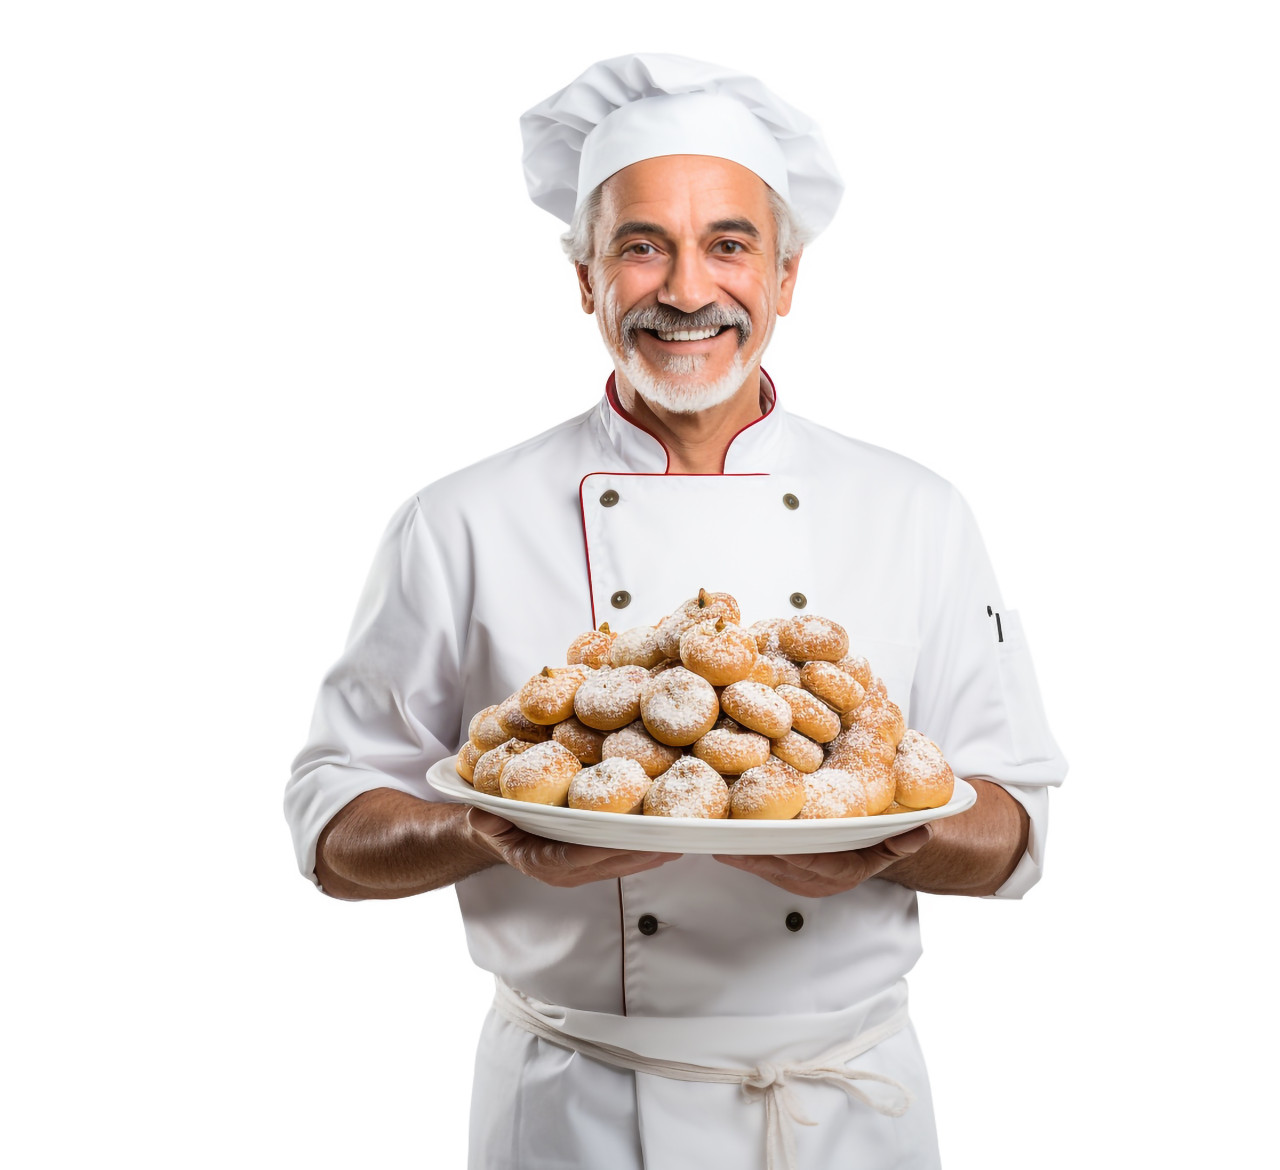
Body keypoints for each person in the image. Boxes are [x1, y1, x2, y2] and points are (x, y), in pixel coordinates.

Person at [285, 53, 1068, 1170]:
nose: (688, 290)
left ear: (786, 277)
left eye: (729, 245)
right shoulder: (458, 520)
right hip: (574, 1111)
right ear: (586, 278)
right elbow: (330, 829)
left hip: (844, 1113)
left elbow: (1012, 830)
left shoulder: (917, 511)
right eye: (642, 245)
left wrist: (885, 841)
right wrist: (481, 832)